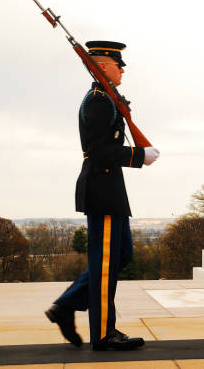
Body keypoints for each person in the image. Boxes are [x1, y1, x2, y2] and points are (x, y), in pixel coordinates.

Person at [45, 41, 160, 351]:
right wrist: (138, 155)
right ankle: (103, 334)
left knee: (120, 255)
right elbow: (98, 151)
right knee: (107, 263)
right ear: (104, 66)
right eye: (118, 65)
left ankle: (66, 305)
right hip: (102, 188)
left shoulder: (106, 99)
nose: (122, 70)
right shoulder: (98, 101)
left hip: (110, 190)